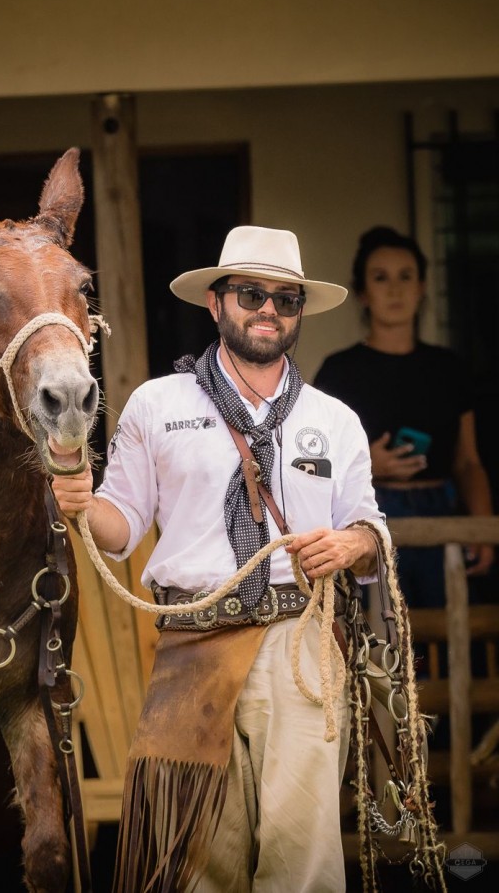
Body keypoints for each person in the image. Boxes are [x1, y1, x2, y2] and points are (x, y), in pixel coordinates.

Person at [52, 226, 392, 893]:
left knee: (304, 850)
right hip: (192, 642)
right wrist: (78, 500)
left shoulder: (336, 419)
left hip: (300, 643)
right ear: (216, 303)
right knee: (194, 853)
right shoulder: (156, 405)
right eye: (251, 293)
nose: (268, 309)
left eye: (285, 299)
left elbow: (370, 524)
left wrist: (355, 543)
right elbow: (120, 528)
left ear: (298, 313)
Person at [314, 226, 494, 607]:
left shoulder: (449, 368)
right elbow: (315, 467)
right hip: (368, 517)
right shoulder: (339, 371)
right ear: (362, 292)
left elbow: (467, 460)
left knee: (452, 637)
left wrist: (483, 527)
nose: (394, 289)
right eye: (380, 278)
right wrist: (370, 467)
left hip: (443, 513)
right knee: (380, 641)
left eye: (405, 276)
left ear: (423, 286)